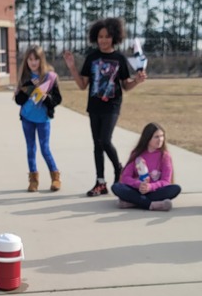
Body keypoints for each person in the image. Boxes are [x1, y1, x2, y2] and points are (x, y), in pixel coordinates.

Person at [63, 17, 145, 196]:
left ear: (114, 37)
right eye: (100, 36)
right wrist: (72, 68)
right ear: (95, 38)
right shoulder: (92, 57)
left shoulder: (119, 59)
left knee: (105, 140)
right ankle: (100, 183)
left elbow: (125, 85)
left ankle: (119, 169)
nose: (103, 40)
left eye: (107, 36)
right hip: (94, 106)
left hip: (112, 106)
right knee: (97, 145)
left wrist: (136, 81)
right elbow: (82, 85)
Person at [14, 45, 62, 192]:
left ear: (42, 60)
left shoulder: (50, 77)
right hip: (27, 118)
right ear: (27, 61)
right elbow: (19, 100)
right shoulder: (25, 77)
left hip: (43, 120)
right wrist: (28, 88)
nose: (33, 62)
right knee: (31, 149)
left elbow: (58, 99)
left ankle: (55, 178)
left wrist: (46, 97)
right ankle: (33, 180)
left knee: (45, 149)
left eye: (36, 59)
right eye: (30, 59)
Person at [112, 122, 181, 211]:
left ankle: (133, 202)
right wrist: (139, 185)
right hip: (137, 189)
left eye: (162, 136)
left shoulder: (165, 156)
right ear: (147, 138)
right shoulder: (136, 153)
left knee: (175, 189)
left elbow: (166, 181)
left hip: (154, 191)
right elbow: (125, 177)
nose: (160, 139)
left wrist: (150, 187)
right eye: (156, 137)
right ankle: (151, 205)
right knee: (116, 187)